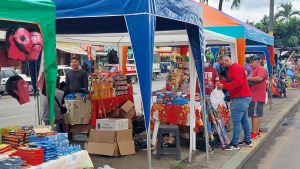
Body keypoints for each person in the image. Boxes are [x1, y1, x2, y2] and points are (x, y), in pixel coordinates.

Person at [216, 55, 252, 150]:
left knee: (236, 121)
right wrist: (222, 82)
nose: (222, 66)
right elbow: (230, 80)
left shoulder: (235, 68)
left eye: (223, 64)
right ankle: (247, 140)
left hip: (240, 97)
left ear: (227, 60)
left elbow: (237, 82)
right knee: (243, 120)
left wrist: (223, 86)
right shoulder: (233, 68)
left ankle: (234, 144)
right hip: (242, 97)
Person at [247, 56, 267, 139]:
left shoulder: (261, 69)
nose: (250, 64)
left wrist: (248, 78)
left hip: (257, 96)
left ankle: (254, 133)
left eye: (252, 62)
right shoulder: (253, 70)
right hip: (254, 96)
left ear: (258, 61)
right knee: (255, 115)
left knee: (255, 115)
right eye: (250, 63)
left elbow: (259, 78)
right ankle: (256, 131)